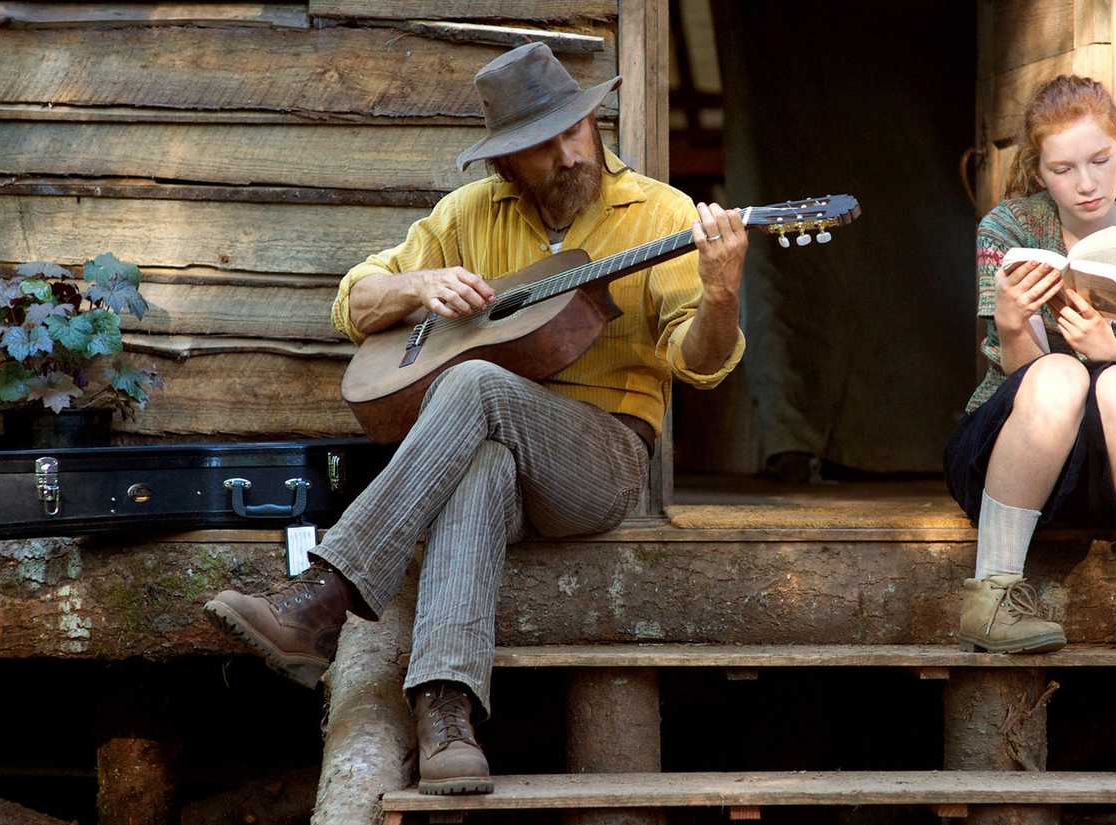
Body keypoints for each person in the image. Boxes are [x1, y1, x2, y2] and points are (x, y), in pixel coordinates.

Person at [203, 42, 747, 795]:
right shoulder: (468, 215)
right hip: (493, 448)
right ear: (503, 164)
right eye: (540, 145)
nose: (566, 155)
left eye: (575, 131)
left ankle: (326, 594)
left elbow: (701, 361)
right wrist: (418, 287)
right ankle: (444, 711)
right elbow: (354, 300)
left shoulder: (662, 214)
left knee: (476, 383)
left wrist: (720, 296)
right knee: (480, 459)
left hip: (602, 455)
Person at [944, 75, 1116, 657]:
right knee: (1060, 374)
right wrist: (1015, 324)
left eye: (1099, 160)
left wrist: (1106, 350)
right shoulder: (1008, 228)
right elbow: (1023, 378)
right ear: (1039, 172)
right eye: (1063, 169)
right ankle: (992, 594)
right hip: (1013, 457)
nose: (1086, 183)